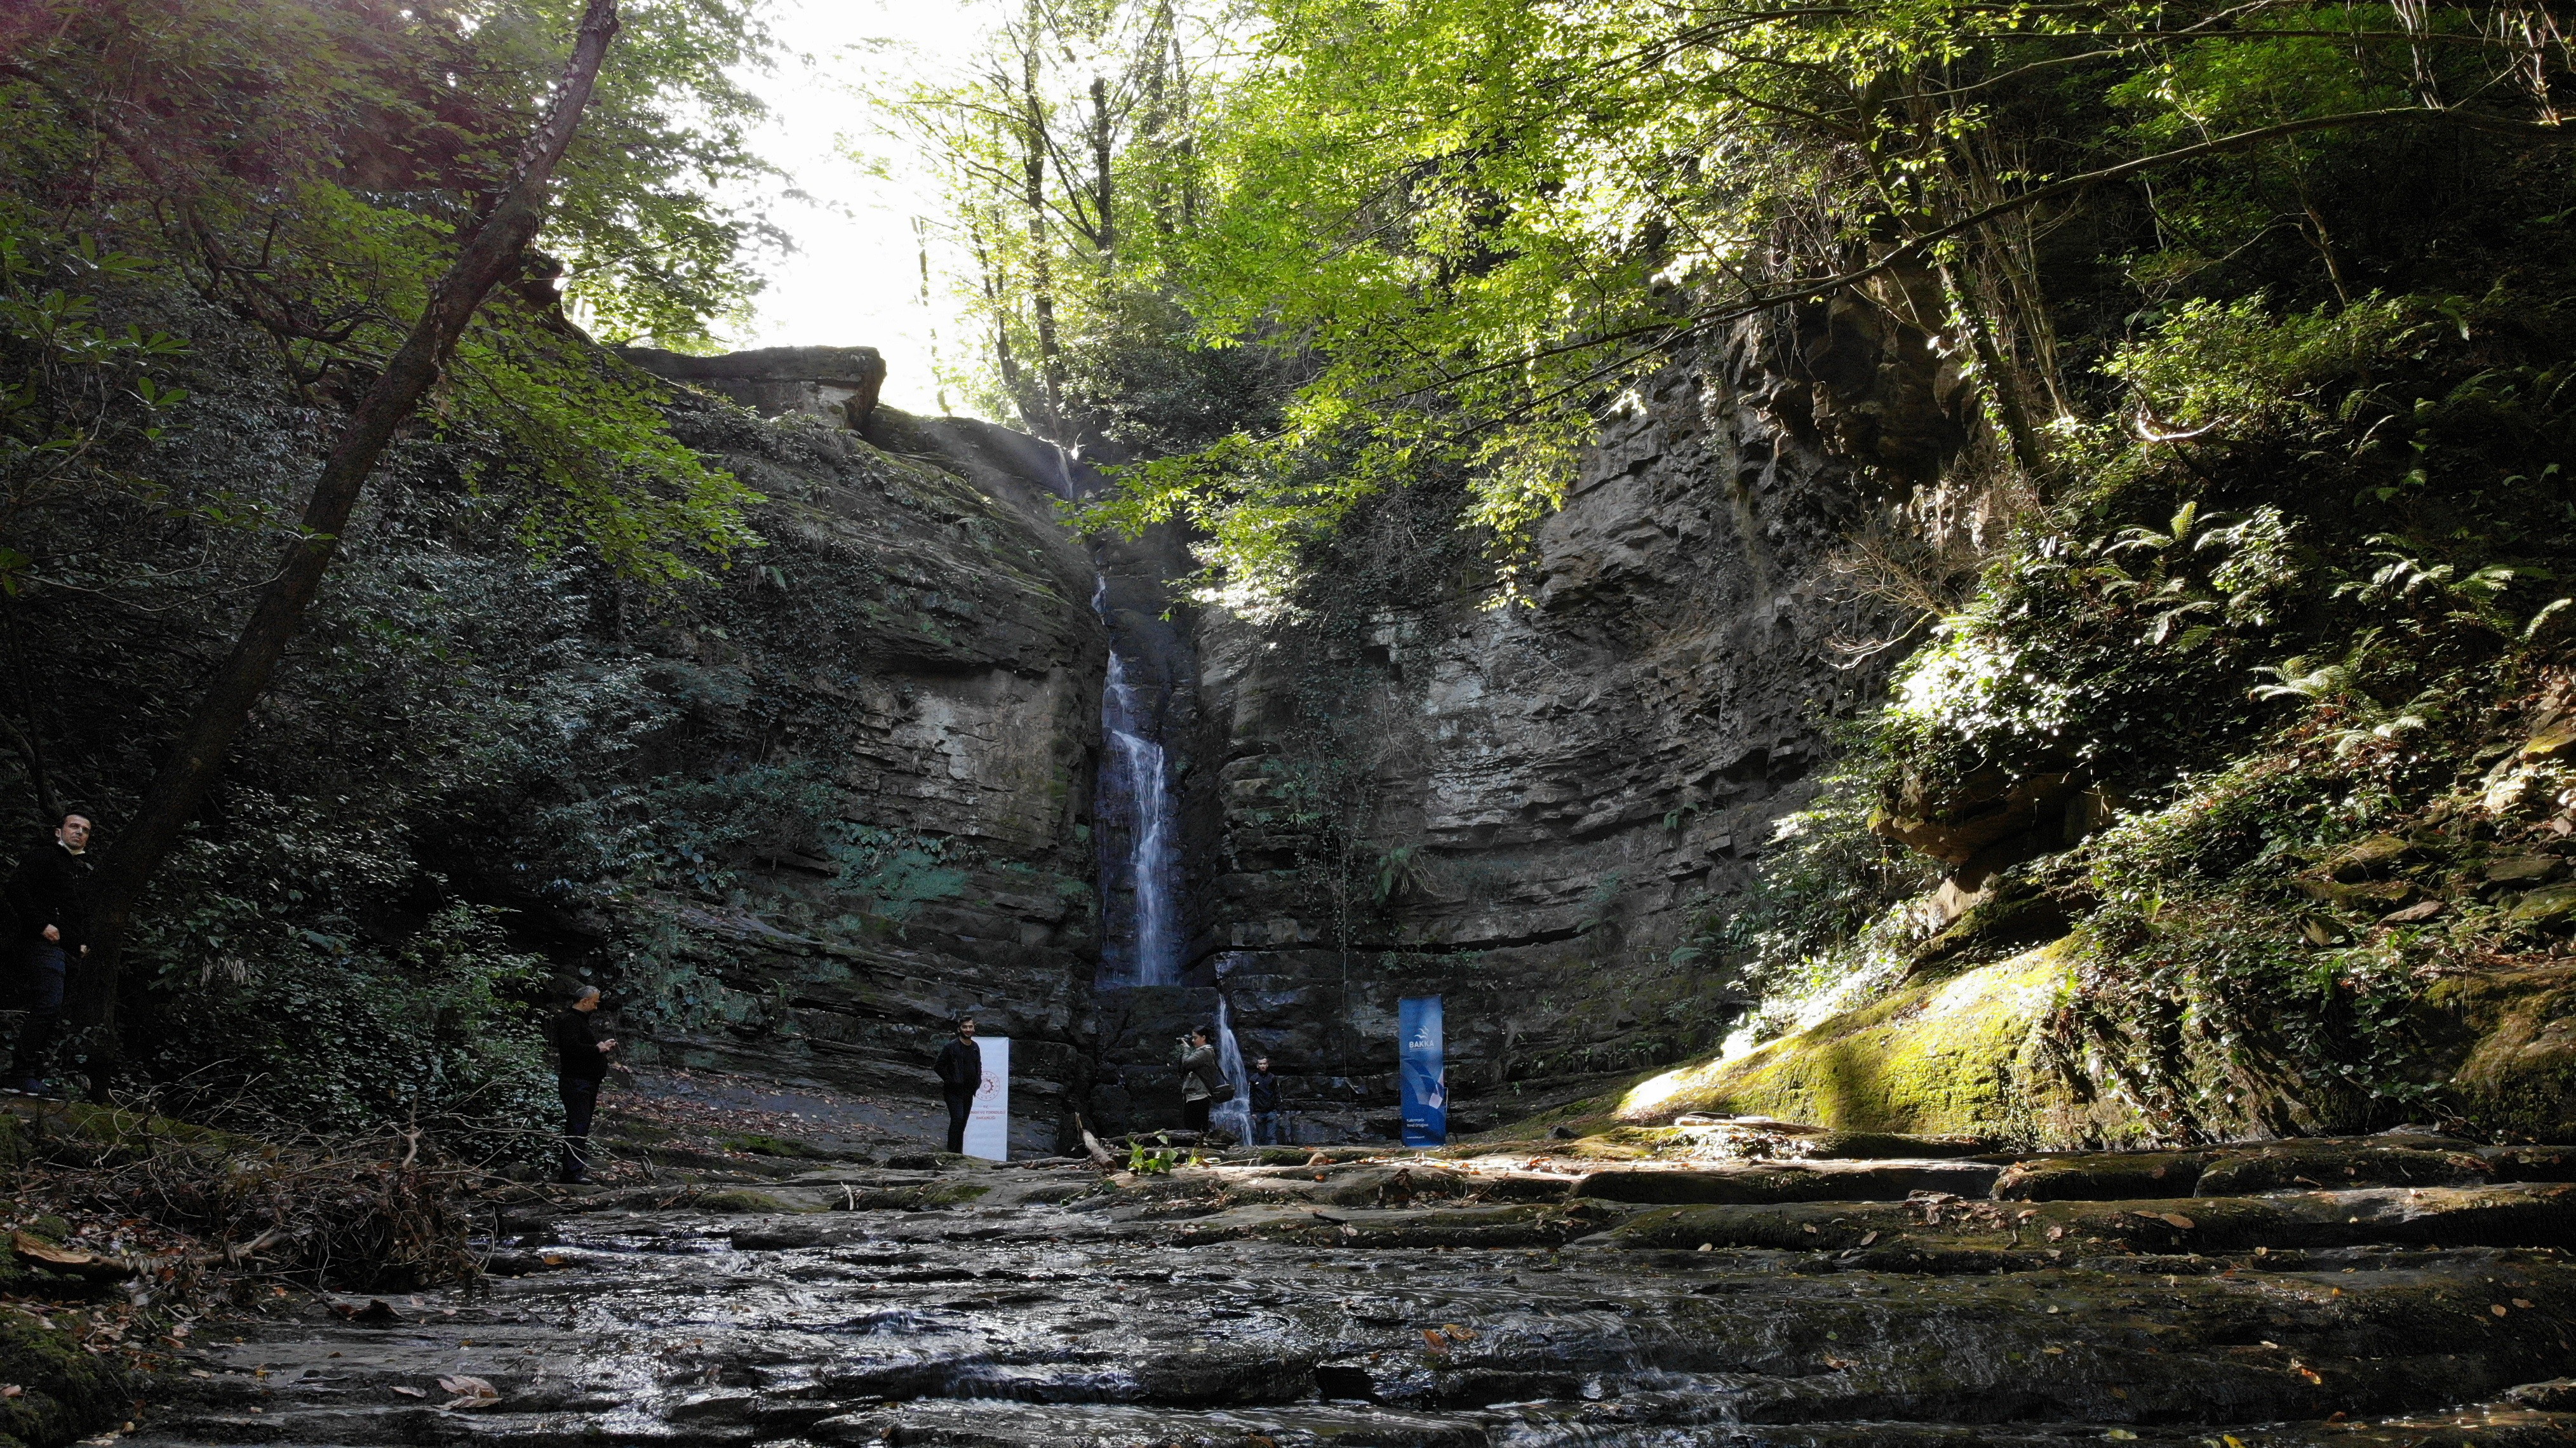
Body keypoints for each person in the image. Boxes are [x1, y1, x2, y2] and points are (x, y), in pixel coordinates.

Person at [6, 812, 93, 1098]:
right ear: (59, 831)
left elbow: (72, 909)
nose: (79, 833)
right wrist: (42, 925)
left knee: (52, 1011)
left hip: (65, 951)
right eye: (74, 827)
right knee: (48, 1005)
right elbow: (16, 889)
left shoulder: (75, 868)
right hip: (43, 945)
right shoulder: (45, 856)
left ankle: (32, 1076)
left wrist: (79, 943)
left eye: (85, 830)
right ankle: (20, 1076)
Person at [551, 985, 615, 1184]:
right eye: (595, 1002)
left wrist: (600, 1049)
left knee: (580, 1126)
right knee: (578, 1126)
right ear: (585, 1001)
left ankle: (573, 1170)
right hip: (576, 1082)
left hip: (585, 1081)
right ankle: (572, 1173)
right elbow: (571, 1050)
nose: (596, 1007)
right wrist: (597, 1049)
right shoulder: (569, 1020)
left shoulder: (579, 1021)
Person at [934, 1016, 981, 1154]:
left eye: (970, 1027)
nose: (968, 1030)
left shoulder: (975, 1047)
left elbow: (978, 1065)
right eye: (965, 1027)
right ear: (959, 1029)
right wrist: (951, 1080)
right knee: (957, 1119)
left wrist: (978, 1080)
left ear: (974, 1029)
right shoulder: (951, 1047)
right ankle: (950, 1152)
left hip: (969, 1091)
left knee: (963, 1123)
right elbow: (939, 1066)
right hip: (953, 1092)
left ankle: (958, 1153)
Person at [1175, 1025, 1219, 1133]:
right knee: (1191, 1125)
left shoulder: (1205, 1052)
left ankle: (1201, 1148)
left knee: (1196, 1127)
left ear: (1203, 1038)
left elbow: (1187, 1063)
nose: (1193, 1041)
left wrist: (1186, 1048)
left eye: (1195, 1038)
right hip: (1193, 1094)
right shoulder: (1199, 1052)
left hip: (1199, 1095)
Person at [1247, 1056, 1284, 1145]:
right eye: (1261, 1064)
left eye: (1264, 1064)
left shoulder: (1272, 1078)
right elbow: (1250, 1096)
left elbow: (1278, 1094)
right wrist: (1252, 1112)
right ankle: (1263, 1157)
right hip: (1258, 1112)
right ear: (1257, 1066)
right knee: (1261, 1137)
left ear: (1267, 1065)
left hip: (1271, 1112)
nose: (1263, 1066)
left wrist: (1279, 1110)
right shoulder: (1253, 1079)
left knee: (1272, 1136)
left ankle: (1272, 1156)